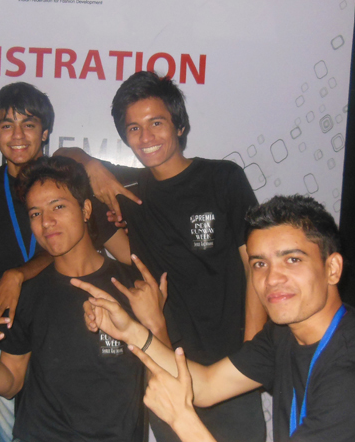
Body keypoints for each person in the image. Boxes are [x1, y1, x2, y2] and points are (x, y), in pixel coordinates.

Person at [75, 195, 355, 442]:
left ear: (332, 268)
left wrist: (182, 420)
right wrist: (130, 331)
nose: (272, 279)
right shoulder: (286, 334)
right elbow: (206, 386)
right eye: (260, 263)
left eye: (292, 260)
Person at [56, 70, 267, 441]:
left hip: (229, 369)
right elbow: (61, 157)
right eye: (134, 128)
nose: (146, 137)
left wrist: (252, 351)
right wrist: (90, 165)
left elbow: (256, 266)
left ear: (179, 125)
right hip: (166, 367)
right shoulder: (128, 190)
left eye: (156, 123)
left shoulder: (222, 178)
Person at [0, 83, 133, 441]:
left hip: (80, 319)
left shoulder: (71, 183)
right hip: (12, 329)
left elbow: (128, 257)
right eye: (6, 125)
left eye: (28, 124)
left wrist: (87, 162)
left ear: (45, 132)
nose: (18, 135)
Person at [0, 156, 166, 442]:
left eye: (58, 206)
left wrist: (156, 324)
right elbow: (10, 383)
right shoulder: (27, 292)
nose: (46, 222)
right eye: (35, 213)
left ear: (86, 209)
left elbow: (167, 377)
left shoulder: (133, 286)